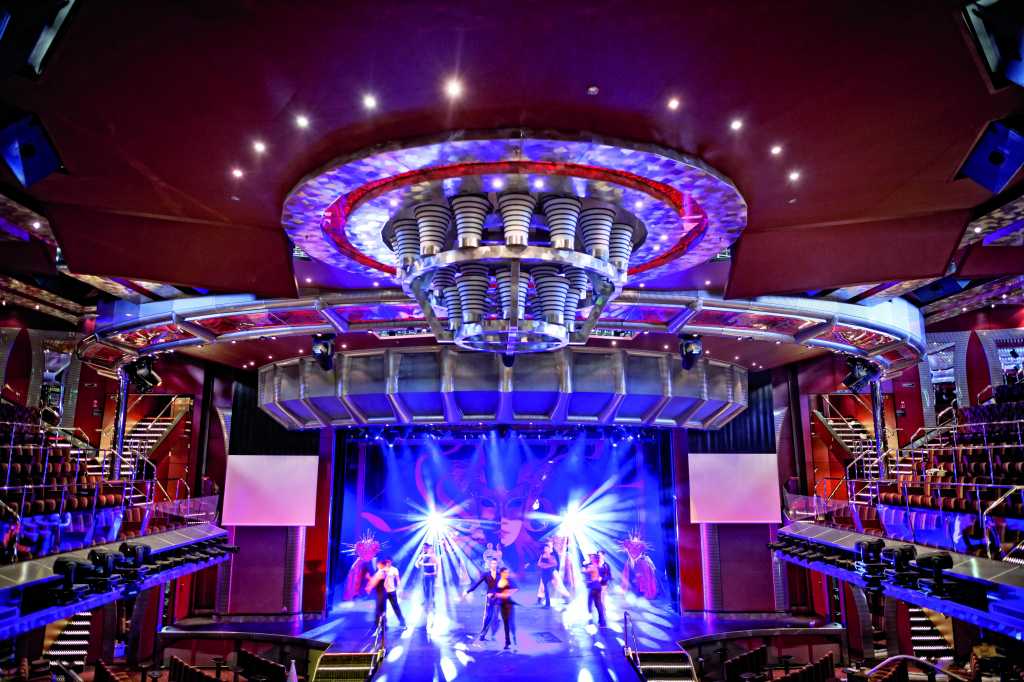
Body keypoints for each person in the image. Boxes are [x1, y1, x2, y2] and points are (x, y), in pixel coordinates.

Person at [464, 557, 501, 641]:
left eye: (495, 563)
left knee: (496, 617)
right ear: (490, 565)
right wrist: (468, 591)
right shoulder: (486, 574)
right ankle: (483, 634)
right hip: (490, 598)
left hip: (498, 597)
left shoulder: (500, 574)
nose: (494, 565)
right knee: (488, 616)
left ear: (497, 565)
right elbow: (477, 583)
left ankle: (493, 634)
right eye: (493, 563)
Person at [365, 557, 406, 629]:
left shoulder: (394, 570)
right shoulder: (381, 570)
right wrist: (369, 583)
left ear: (391, 562)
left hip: (392, 591)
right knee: (382, 608)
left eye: (389, 562)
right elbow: (375, 580)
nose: (388, 563)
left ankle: (402, 621)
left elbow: (398, 579)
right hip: (384, 592)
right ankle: (383, 624)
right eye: (386, 562)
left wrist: (400, 587)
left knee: (395, 607)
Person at [494, 567, 519, 650]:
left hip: (508, 604)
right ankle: (506, 641)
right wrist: (498, 595)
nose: (507, 574)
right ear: (501, 573)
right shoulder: (497, 581)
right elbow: (493, 591)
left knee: (511, 622)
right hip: (500, 604)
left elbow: (516, 588)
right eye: (505, 572)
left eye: (508, 572)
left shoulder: (509, 580)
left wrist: (507, 593)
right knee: (503, 622)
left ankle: (514, 637)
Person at [583, 552, 611, 627]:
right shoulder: (597, 565)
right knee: (598, 603)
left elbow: (585, 571)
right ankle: (602, 620)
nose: (590, 558)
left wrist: (602, 579)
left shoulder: (603, 565)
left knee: (594, 603)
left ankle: (597, 618)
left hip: (598, 586)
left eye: (591, 557)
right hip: (597, 586)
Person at [416, 543, 439, 611]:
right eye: (423, 547)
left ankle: (433, 601)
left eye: (425, 547)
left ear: (428, 548)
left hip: (432, 575)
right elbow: (417, 564)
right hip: (425, 574)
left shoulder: (432, 555)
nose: (424, 549)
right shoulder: (422, 555)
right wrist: (419, 564)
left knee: (432, 589)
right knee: (426, 589)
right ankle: (426, 601)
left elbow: (437, 564)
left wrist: (436, 572)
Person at [536, 541, 559, 608]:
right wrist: (544, 566)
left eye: (547, 548)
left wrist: (545, 566)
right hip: (544, 573)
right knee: (544, 588)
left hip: (550, 573)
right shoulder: (542, 555)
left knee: (556, 586)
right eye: (545, 548)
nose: (546, 549)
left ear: (549, 549)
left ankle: (565, 597)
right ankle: (546, 603)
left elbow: (554, 564)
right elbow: (539, 564)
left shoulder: (551, 556)